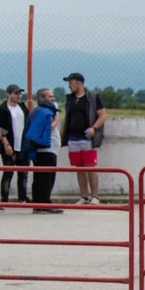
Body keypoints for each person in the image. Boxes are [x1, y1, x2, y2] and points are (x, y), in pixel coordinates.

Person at [61, 72, 107, 204]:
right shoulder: (70, 99)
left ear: (79, 83)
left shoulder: (92, 97)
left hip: (87, 138)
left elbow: (102, 115)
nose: (69, 86)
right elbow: (66, 117)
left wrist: (93, 128)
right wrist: (62, 133)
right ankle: (84, 195)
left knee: (90, 167)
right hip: (73, 138)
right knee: (79, 168)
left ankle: (95, 196)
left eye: (71, 82)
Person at [23, 88, 64, 214]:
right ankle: (44, 202)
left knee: (41, 176)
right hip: (46, 149)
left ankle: (39, 203)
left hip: (47, 149)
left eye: (53, 96)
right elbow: (45, 128)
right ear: (41, 98)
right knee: (46, 177)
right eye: (49, 96)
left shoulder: (41, 111)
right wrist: (56, 118)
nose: (53, 98)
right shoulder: (44, 112)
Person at [0, 84, 30, 205]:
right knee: (8, 173)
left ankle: (22, 199)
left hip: (23, 146)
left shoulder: (23, 108)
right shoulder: (2, 109)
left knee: (23, 174)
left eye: (20, 93)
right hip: (9, 146)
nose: (19, 96)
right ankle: (5, 200)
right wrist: (6, 144)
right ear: (8, 94)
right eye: (16, 93)